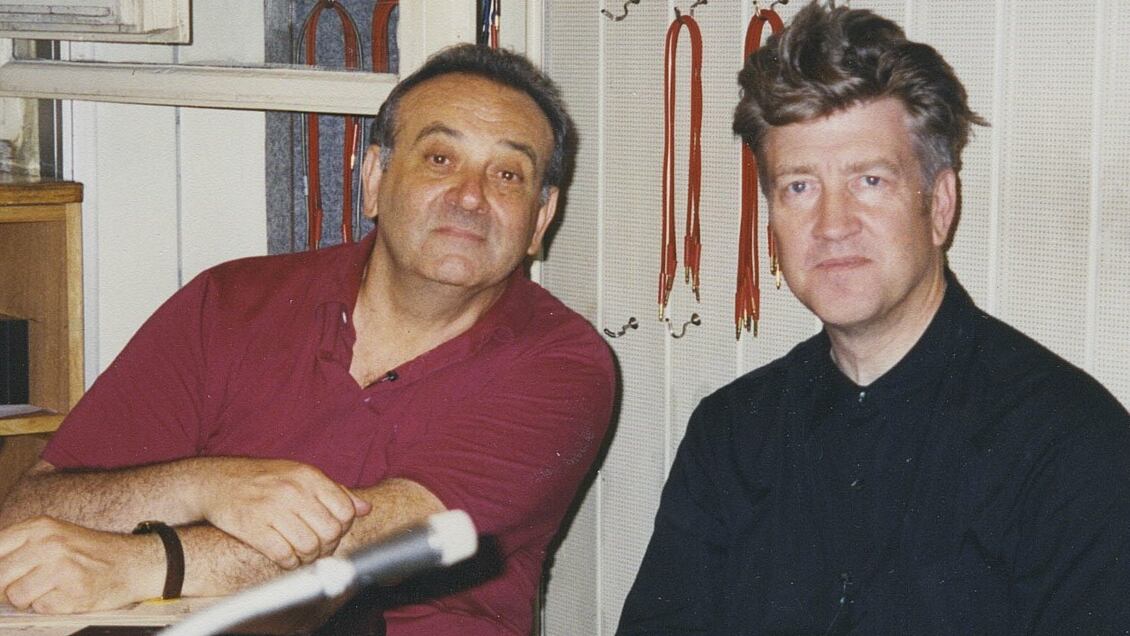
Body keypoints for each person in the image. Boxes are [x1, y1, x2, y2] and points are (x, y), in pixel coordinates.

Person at [0, 43, 615, 636]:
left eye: (507, 174)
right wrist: (202, 485)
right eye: (439, 159)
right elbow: (29, 514)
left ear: (539, 219)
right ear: (374, 178)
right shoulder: (232, 302)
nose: (471, 197)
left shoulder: (563, 364)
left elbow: (379, 541)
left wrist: (139, 564)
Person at [618, 2, 1130, 634]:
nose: (832, 225)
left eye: (869, 181)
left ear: (939, 205)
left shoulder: (1070, 444)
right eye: (799, 186)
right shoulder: (730, 434)